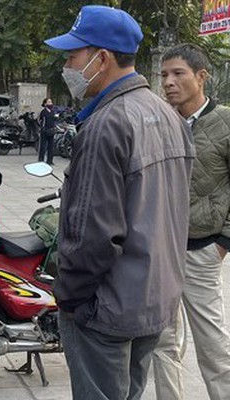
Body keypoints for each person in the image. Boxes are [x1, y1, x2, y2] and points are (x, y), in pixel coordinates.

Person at [44, 5, 194, 399]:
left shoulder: (106, 125)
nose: (68, 65)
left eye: (73, 55)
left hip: (106, 310)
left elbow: (94, 233)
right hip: (154, 299)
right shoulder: (169, 116)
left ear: (102, 58)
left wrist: (70, 298)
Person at [151, 43, 230, 400]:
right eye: (164, 75)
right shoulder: (158, 122)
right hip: (159, 253)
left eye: (178, 73)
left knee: (213, 346)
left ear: (201, 77)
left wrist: (223, 244)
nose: (169, 82)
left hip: (202, 251)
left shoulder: (225, 122)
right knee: (163, 343)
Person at [38, 98, 58, 165]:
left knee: (51, 146)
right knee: (43, 146)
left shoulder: (52, 112)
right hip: (45, 131)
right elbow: (41, 121)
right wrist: (43, 129)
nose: (50, 103)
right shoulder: (43, 112)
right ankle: (41, 160)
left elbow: (53, 121)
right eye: (49, 102)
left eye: (51, 102)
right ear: (45, 104)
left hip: (51, 130)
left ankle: (50, 161)